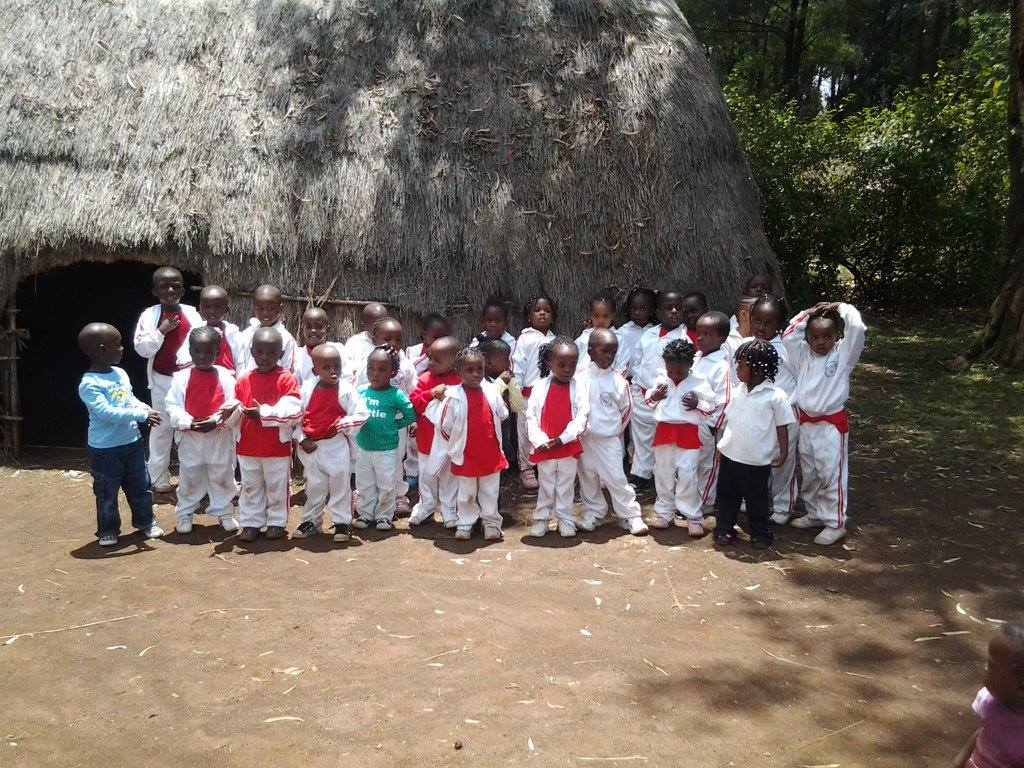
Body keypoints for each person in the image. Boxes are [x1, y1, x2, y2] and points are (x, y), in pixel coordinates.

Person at [781, 301, 866, 545]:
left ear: (837, 336)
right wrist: (808, 313)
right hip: (806, 422)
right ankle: (814, 513)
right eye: (815, 337)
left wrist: (841, 307)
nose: (821, 342)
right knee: (809, 472)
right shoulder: (801, 356)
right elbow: (788, 335)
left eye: (827, 336)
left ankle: (834, 522)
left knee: (831, 473)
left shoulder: (843, 355)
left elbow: (857, 328)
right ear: (807, 339)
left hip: (830, 425)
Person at [78, 323, 165, 547]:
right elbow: (106, 413)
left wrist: (145, 408)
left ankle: (146, 522)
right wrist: (141, 415)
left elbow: (129, 399)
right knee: (107, 491)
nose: (122, 348)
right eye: (117, 345)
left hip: (132, 442)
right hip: (105, 448)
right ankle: (108, 530)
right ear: (101, 350)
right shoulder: (89, 384)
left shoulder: (120, 373)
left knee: (141, 485)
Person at [713, 339, 793, 550]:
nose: (737, 370)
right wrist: (721, 445)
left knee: (756, 500)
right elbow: (729, 420)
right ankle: (724, 529)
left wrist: (783, 453)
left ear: (758, 369)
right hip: (731, 455)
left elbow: (782, 426)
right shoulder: (738, 391)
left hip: (756, 461)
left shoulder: (776, 396)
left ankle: (760, 533)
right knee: (727, 496)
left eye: (742, 366)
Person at [165, 327, 242, 534]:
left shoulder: (226, 378)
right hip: (191, 436)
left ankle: (224, 511)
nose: (202, 356)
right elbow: (172, 406)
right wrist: (189, 423)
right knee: (190, 474)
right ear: (190, 351)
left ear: (218, 352)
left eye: (208, 352)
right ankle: (185, 512)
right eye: (197, 351)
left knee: (222, 473)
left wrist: (216, 420)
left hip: (219, 435)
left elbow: (233, 404)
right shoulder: (180, 379)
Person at [132, 265, 201, 492]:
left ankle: (190, 479)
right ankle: (158, 477)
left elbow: (203, 344)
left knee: (187, 428)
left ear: (182, 290)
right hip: (162, 380)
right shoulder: (149, 315)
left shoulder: (192, 314)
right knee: (161, 429)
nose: (170, 290)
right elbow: (142, 349)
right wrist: (161, 330)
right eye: (164, 286)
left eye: (175, 286)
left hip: (189, 381)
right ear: (155, 291)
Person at [431, 346, 510, 541]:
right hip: (465, 455)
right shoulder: (453, 397)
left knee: (490, 491)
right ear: (458, 372)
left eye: (479, 369)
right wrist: (455, 446)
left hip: (490, 453)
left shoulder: (492, 391)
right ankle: (466, 523)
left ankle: (491, 523)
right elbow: (445, 425)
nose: (475, 374)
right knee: (466, 493)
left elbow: (502, 414)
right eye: (469, 370)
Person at [575, 329, 648, 536]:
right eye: (604, 351)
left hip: (608, 440)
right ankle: (593, 512)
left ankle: (630, 515)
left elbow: (626, 411)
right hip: (585, 439)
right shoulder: (579, 378)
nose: (609, 356)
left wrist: (612, 431)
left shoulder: (618, 381)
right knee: (588, 475)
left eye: (613, 353)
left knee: (616, 477)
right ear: (590, 351)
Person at [292, 344, 368, 542]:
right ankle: (311, 521)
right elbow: (296, 419)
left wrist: (340, 425)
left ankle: (342, 522)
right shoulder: (307, 389)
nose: (333, 371)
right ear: (314, 370)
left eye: (337, 366)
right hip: (312, 447)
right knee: (314, 486)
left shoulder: (346, 390)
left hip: (336, 445)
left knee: (340, 484)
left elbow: (362, 414)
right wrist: (302, 439)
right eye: (326, 368)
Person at [234, 327, 303, 542]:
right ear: (252, 352)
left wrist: (263, 413)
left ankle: (276, 521)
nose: (265, 357)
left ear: (280, 354)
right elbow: (235, 408)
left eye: (271, 353)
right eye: (260, 352)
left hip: (275, 447)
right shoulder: (243, 380)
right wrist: (229, 413)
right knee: (250, 486)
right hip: (247, 445)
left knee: (277, 487)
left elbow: (293, 410)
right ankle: (251, 522)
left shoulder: (286, 379)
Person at [645, 339, 716, 535]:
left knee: (688, 474)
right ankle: (664, 512)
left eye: (680, 372)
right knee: (663, 473)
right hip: (664, 430)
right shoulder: (661, 379)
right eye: (671, 372)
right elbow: (648, 400)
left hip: (688, 432)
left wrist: (697, 404)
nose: (675, 376)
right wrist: (655, 396)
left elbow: (711, 407)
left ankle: (692, 515)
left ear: (690, 365)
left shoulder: (699, 381)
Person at [351, 317, 418, 515]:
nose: (393, 344)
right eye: (387, 339)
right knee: (366, 462)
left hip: (395, 424)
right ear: (374, 339)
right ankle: (366, 497)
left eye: (398, 339)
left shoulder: (406, 366)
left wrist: (410, 420)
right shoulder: (368, 364)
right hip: (370, 423)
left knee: (395, 460)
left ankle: (397, 496)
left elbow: (412, 393)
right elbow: (358, 393)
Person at [525, 337, 589, 538]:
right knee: (546, 483)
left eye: (572, 365)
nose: (567, 370)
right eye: (561, 365)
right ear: (549, 363)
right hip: (546, 445)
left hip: (566, 445)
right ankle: (542, 518)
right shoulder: (539, 386)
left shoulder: (579, 387)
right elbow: (531, 416)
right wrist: (540, 440)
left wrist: (564, 438)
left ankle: (565, 518)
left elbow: (582, 416)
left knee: (565, 484)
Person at [746, 296, 800, 525]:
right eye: (757, 320)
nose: (761, 327)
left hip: (783, 413)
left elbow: (799, 375)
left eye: (769, 323)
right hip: (757, 413)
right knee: (756, 456)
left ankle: (782, 505)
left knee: (782, 460)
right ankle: (754, 497)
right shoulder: (747, 346)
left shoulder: (787, 349)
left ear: (780, 325)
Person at [628, 289, 687, 488]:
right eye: (668, 308)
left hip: (667, 397)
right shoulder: (649, 335)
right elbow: (638, 363)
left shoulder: (683, 339)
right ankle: (641, 474)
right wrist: (637, 387)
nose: (674, 312)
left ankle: (666, 478)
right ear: (658, 313)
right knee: (641, 437)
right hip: (643, 394)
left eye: (678, 308)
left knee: (666, 440)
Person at [408, 336, 463, 528]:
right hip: (427, 439)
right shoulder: (425, 379)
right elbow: (413, 403)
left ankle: (449, 510)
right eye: (429, 357)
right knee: (426, 475)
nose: (430, 362)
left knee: (449, 477)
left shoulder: (459, 381)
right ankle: (426, 506)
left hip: (449, 441)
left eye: (436, 360)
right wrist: (431, 394)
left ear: (454, 362)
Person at [953, 621, 1024, 768]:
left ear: (1020, 687)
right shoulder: (990, 701)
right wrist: (957, 763)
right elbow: (982, 734)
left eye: (991, 665)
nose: (985, 668)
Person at [511, 295, 557, 490]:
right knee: (525, 431)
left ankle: (546, 464)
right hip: (528, 395)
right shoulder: (525, 339)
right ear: (529, 317)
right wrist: (517, 392)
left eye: (547, 311)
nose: (542, 313)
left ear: (552, 317)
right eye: (537, 310)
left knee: (547, 429)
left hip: (550, 395)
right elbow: (517, 365)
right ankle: (527, 467)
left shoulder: (555, 340)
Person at [692, 312, 733, 518]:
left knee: (707, 465)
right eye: (699, 333)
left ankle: (706, 501)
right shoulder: (696, 358)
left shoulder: (721, 366)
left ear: (722, 338)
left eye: (707, 334)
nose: (700, 338)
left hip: (707, 424)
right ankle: (691, 499)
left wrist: (712, 426)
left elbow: (724, 401)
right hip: (690, 421)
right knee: (692, 462)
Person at [403, 313, 451, 488]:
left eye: (443, 337)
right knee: (414, 441)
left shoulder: (447, 355)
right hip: (418, 401)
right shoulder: (414, 351)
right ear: (425, 334)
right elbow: (412, 372)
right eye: (435, 337)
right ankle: (412, 471)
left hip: (439, 408)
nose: (439, 341)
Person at [480, 337, 524, 474]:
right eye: (505, 360)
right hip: (487, 437)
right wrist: (500, 383)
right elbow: (488, 401)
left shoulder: (504, 380)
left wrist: (512, 384)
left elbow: (517, 406)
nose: (508, 364)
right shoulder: (481, 382)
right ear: (488, 361)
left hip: (505, 433)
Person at [176, 285, 244, 372]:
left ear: (226, 309)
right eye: (207, 307)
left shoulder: (234, 335)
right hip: (200, 378)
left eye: (218, 307)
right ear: (200, 308)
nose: (212, 311)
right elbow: (183, 356)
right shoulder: (195, 331)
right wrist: (191, 363)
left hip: (226, 379)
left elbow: (240, 363)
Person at [238, 285, 297, 373]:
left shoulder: (285, 338)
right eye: (260, 309)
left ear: (280, 308)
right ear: (254, 308)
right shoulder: (247, 334)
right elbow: (240, 363)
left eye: (270, 308)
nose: (265, 313)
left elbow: (289, 368)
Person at [293, 306, 348, 385]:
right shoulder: (298, 356)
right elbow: (295, 383)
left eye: (319, 327)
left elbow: (347, 378)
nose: (313, 330)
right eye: (308, 327)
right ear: (303, 329)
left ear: (327, 329)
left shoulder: (338, 351)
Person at [614, 287, 656, 376]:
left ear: (651, 311)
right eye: (633, 308)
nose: (637, 313)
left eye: (642, 309)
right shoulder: (622, 332)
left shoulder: (655, 332)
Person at [574, 294, 617, 369]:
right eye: (596, 316)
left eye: (606, 316)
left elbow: (622, 365)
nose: (600, 321)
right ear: (591, 316)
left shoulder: (619, 338)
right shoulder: (584, 337)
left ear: (612, 316)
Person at [343, 302, 388, 370]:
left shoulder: (391, 341)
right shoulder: (355, 343)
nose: (379, 329)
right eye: (375, 326)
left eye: (383, 325)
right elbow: (347, 367)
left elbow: (402, 367)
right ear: (364, 326)